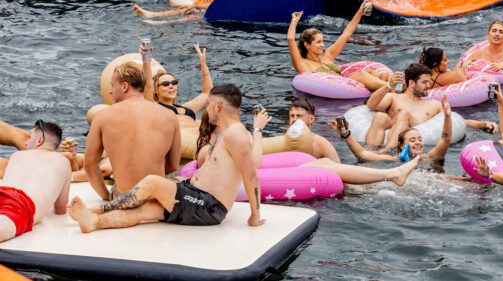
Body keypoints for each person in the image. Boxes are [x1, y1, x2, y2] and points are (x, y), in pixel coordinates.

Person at [69, 84, 266, 232]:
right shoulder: (232, 131)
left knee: (153, 183)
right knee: (146, 210)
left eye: (209, 105)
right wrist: (258, 129)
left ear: (219, 106)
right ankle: (94, 222)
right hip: (195, 195)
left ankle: (100, 210)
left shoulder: (235, 135)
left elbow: (251, 175)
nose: (207, 110)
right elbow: (256, 161)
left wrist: (255, 216)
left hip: (209, 206)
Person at [83, 61, 181, 201]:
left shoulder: (103, 116)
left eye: (112, 85)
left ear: (124, 86)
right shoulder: (169, 116)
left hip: (123, 198)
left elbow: (89, 164)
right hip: (157, 197)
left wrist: (107, 196)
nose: (110, 91)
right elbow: (172, 165)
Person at [195, 98, 340, 167]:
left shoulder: (320, 143)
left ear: (311, 119)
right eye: (292, 116)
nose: (295, 120)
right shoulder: (283, 141)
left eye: (299, 116)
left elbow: (338, 167)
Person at [331, 96, 453, 172]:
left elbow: (445, 139)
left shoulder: (429, 157)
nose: (418, 142)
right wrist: (344, 133)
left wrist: (447, 116)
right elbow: (361, 154)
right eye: (412, 140)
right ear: (401, 145)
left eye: (419, 139)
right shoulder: (392, 159)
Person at [288, 5, 393, 92]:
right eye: (319, 42)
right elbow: (291, 39)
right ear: (307, 45)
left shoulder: (327, 57)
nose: (323, 45)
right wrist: (294, 21)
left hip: (349, 83)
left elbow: (346, 34)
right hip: (341, 87)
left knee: (373, 72)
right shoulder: (303, 64)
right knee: (363, 75)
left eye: (323, 41)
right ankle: (394, 88)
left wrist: (360, 12)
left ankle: (402, 85)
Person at [0, 120, 70, 242]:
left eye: (29, 137)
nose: (26, 143)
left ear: (39, 140)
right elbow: (60, 209)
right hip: (20, 205)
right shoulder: (63, 161)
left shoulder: (17, 155)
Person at [365, 63, 441, 150]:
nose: (428, 86)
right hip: (392, 129)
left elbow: (449, 120)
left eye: (429, 82)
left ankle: (388, 151)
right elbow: (370, 105)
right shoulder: (394, 97)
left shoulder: (435, 104)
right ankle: (369, 153)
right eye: (424, 82)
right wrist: (388, 86)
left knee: (404, 114)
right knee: (380, 116)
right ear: (412, 83)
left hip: (414, 137)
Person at [147, 43, 214, 128]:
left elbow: (207, 93)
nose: (171, 86)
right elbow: (148, 82)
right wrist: (146, 58)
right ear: (156, 90)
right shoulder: (155, 108)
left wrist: (203, 65)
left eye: (174, 82)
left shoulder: (186, 108)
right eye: (165, 84)